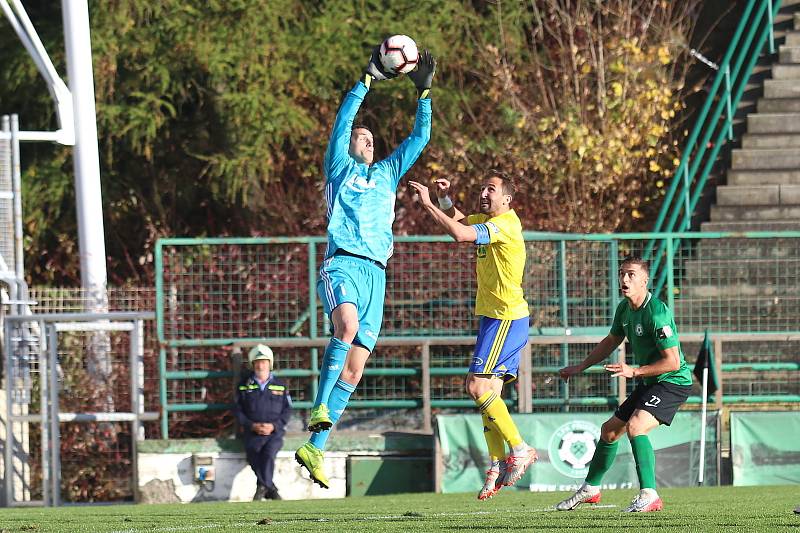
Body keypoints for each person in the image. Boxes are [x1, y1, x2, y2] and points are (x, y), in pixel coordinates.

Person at [294, 43, 436, 489]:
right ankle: (319, 404)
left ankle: (314, 446)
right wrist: (368, 79)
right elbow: (342, 122)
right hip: (343, 266)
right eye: (362, 136)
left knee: (354, 370)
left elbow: (420, 139)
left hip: (377, 274)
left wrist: (425, 93)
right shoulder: (339, 169)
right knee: (346, 326)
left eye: (372, 138)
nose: (368, 140)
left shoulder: (388, 174)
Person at [408, 172, 537, 501]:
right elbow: (463, 220)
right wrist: (444, 201)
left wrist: (426, 205)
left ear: (507, 199)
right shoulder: (490, 220)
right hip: (496, 319)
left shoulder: (505, 224)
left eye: (490, 189)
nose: (483, 193)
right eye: (483, 187)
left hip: (505, 318)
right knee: (488, 393)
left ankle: (519, 449)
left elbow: (461, 234)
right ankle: (496, 463)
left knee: (477, 386)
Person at [554, 256, 693, 513]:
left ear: (644, 280)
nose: (624, 279)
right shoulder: (624, 309)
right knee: (609, 431)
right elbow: (611, 341)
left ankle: (649, 494)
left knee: (636, 426)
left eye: (631, 274)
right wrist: (580, 367)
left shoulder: (657, 312)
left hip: (673, 382)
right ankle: (591, 488)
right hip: (649, 381)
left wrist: (635, 371)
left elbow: (673, 362)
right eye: (622, 274)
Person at [233, 344, 292, 501]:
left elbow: (287, 410)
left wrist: (274, 426)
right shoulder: (244, 386)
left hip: (274, 433)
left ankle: (262, 489)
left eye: (264, 362)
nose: (261, 365)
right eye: (257, 362)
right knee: (253, 455)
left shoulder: (280, 384)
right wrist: (252, 425)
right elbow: (238, 410)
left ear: (270, 363)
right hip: (252, 432)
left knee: (268, 454)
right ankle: (270, 488)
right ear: (253, 364)